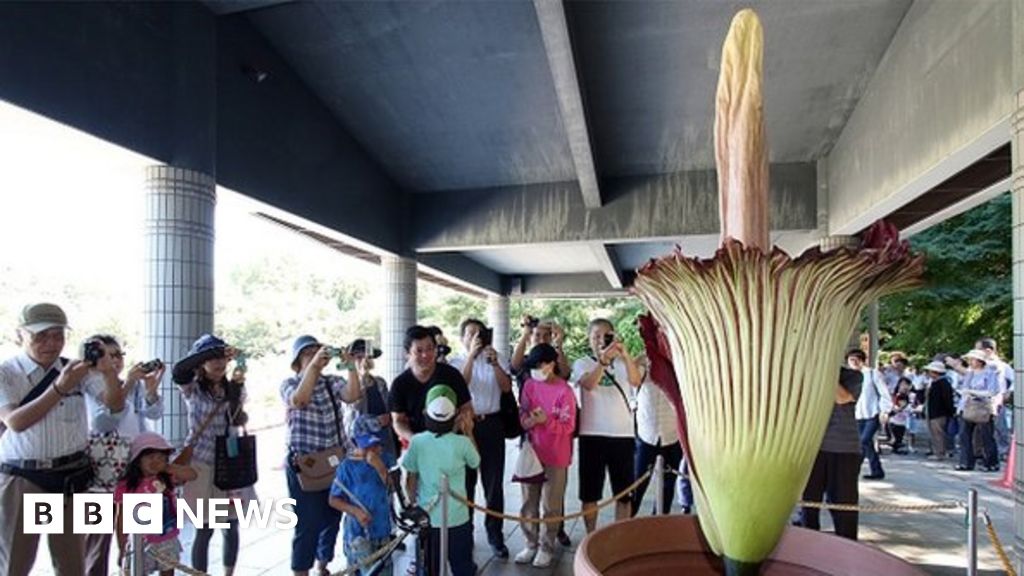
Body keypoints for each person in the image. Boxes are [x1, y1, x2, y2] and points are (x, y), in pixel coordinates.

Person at [0, 303, 103, 576]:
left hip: (70, 479)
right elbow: (15, 422)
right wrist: (60, 387)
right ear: (19, 334)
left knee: (71, 565)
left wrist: (107, 369)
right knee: (16, 564)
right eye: (41, 336)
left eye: (58, 335)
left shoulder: (77, 370)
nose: (51, 343)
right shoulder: (6, 372)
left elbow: (113, 407)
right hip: (25, 479)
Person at [171, 334, 255, 576]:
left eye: (221, 358)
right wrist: (211, 351)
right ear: (201, 363)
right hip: (200, 464)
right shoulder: (192, 388)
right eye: (212, 358)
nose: (218, 363)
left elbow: (238, 417)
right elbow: (179, 371)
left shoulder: (234, 388)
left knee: (231, 525)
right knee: (204, 528)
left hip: (229, 464)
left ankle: (229, 573)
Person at [82, 334, 165, 576]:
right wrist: (126, 384)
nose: (114, 361)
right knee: (95, 541)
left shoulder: (133, 384)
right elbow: (103, 422)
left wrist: (151, 391)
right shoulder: (87, 385)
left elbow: (154, 414)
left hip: (135, 467)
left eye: (117, 355)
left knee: (140, 537)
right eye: (107, 355)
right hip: (97, 473)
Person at [281, 335, 364, 576]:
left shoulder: (331, 382)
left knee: (332, 516)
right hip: (304, 466)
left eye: (318, 352)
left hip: (335, 461)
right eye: (309, 354)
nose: (316, 357)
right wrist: (314, 368)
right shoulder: (289, 383)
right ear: (297, 362)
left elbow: (352, 395)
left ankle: (323, 563)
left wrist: (350, 366)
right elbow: (299, 399)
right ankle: (301, 570)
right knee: (307, 523)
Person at [448, 318, 512, 558]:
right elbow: (460, 386)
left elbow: (506, 388)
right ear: (462, 338)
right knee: (466, 483)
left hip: (492, 424)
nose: (476, 338)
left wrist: (495, 363)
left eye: (480, 333)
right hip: (466, 426)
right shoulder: (455, 362)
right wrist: (471, 357)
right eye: (471, 334)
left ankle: (495, 535)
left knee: (494, 483)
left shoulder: (497, 357)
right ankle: (466, 533)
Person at [571, 318, 642, 533]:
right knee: (590, 493)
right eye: (596, 336)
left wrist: (625, 354)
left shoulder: (623, 363)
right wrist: (602, 362)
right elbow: (589, 385)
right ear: (589, 338)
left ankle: (621, 536)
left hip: (623, 435)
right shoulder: (582, 362)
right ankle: (590, 535)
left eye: (606, 335)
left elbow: (636, 381)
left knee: (624, 493)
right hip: (592, 435)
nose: (601, 340)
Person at [402, 385, 480, 576]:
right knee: (462, 565)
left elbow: (410, 477)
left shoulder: (418, 441)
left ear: (426, 413)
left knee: (431, 566)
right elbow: (475, 462)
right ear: (455, 414)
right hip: (459, 516)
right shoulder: (462, 443)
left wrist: (411, 503)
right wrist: (468, 431)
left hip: (429, 517)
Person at [509, 315, 572, 546]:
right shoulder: (527, 373)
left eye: (546, 334)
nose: (541, 338)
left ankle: (551, 538)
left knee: (552, 499)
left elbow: (565, 373)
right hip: (531, 444)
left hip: (556, 448)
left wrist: (559, 344)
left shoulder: (563, 386)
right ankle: (530, 542)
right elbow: (514, 366)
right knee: (529, 498)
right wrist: (527, 422)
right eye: (538, 334)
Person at [114, 432, 197, 576]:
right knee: (136, 571)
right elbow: (121, 519)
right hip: (139, 541)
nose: (155, 461)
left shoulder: (167, 478)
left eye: (161, 457)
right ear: (137, 459)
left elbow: (192, 475)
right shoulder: (127, 485)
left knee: (168, 571)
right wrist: (122, 548)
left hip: (167, 538)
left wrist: (169, 468)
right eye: (150, 457)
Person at [800, 367, 863, 540]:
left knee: (844, 504)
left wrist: (823, 368)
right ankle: (808, 543)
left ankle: (847, 547)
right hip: (812, 448)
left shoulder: (853, 376)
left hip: (843, 449)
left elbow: (842, 398)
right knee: (808, 502)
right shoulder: (803, 374)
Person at [329, 424, 396, 576]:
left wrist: (380, 467)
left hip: (383, 530)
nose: (372, 450)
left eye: (375, 445)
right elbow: (334, 499)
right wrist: (355, 511)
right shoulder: (347, 467)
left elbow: (393, 487)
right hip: (357, 534)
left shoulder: (386, 459)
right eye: (367, 446)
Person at [389, 325, 473, 445]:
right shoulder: (399, 384)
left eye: (430, 349)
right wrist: (416, 440)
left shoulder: (452, 375)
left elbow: (467, 408)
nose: (425, 355)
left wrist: (454, 430)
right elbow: (398, 421)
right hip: (417, 446)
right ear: (407, 354)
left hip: (451, 444)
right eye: (419, 351)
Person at [630, 354, 683, 516]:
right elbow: (632, 379)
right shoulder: (644, 363)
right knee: (638, 484)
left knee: (667, 486)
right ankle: (626, 523)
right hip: (647, 435)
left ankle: (658, 523)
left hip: (672, 435)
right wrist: (641, 357)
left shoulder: (679, 364)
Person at [342, 338, 397, 459]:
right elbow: (352, 419)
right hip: (361, 445)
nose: (364, 361)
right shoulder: (347, 387)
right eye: (358, 357)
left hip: (384, 442)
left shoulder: (380, 382)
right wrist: (361, 378)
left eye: (367, 357)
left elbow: (389, 408)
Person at [848, 348, 891, 480]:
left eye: (856, 360)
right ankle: (877, 470)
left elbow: (884, 393)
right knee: (866, 444)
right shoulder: (850, 376)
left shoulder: (872, 373)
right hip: (857, 414)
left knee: (864, 440)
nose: (853, 363)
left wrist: (885, 411)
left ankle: (852, 470)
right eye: (851, 360)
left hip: (872, 413)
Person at [955, 350, 1000, 472]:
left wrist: (972, 392)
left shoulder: (990, 373)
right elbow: (964, 391)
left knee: (987, 436)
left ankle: (991, 462)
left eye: (973, 359)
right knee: (964, 435)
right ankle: (966, 462)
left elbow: (992, 392)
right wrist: (961, 408)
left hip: (983, 406)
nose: (970, 362)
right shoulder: (970, 373)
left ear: (980, 361)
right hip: (968, 406)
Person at [921, 362, 955, 461]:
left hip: (939, 413)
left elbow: (947, 399)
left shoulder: (943, 383)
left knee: (938, 433)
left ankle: (940, 453)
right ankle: (937, 451)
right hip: (932, 412)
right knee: (934, 433)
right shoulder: (934, 383)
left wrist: (950, 411)